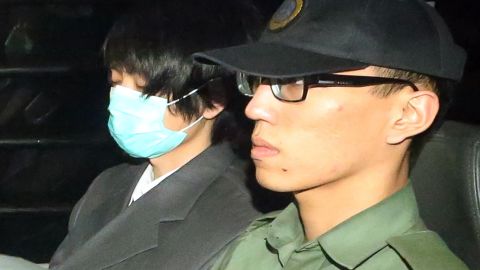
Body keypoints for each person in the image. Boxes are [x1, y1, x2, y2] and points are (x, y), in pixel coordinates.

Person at [193, 0, 470, 269]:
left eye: (295, 82)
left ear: (408, 115)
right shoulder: (255, 244)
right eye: (256, 81)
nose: (255, 108)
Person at [48, 1, 265, 269]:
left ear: (212, 100)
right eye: (116, 82)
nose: (120, 102)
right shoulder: (107, 184)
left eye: (145, 89)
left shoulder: (239, 216)